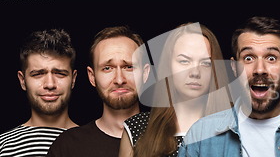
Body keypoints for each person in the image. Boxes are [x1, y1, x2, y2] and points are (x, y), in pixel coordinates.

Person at [179, 17, 280, 157]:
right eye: (249, 58)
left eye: (271, 58)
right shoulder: (200, 135)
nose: (260, 70)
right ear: (234, 67)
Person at [118, 22, 231, 157]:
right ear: (168, 66)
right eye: (184, 61)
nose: (195, 72)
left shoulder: (233, 129)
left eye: (205, 63)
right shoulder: (137, 128)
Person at [46, 26, 150, 157]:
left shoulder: (172, 137)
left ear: (145, 74)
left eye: (129, 67)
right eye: (107, 68)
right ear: (92, 76)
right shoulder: (67, 146)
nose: (119, 79)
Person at [0, 29, 78, 156]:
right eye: (38, 74)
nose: (50, 84)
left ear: (73, 79)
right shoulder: (3, 146)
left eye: (59, 73)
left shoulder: (94, 143)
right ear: (22, 80)